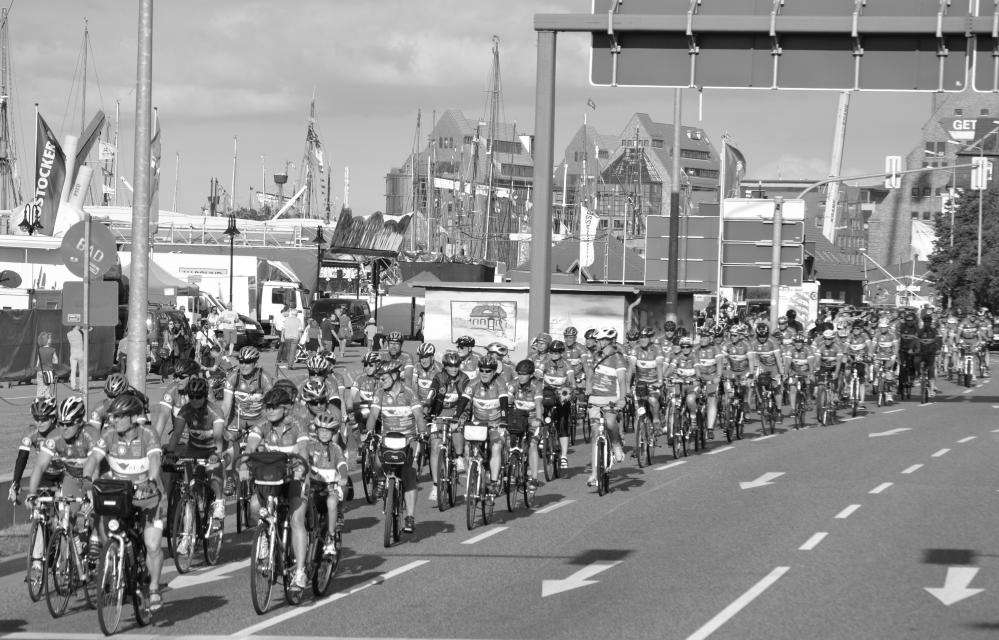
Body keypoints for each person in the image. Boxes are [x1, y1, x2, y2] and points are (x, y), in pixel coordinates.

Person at [82, 391, 166, 611]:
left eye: (119, 416)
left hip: (148, 496)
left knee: (152, 544)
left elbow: (155, 460)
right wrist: (85, 479)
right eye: (113, 416)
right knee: (106, 531)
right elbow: (93, 459)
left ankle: (155, 587)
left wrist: (150, 480)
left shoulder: (148, 434)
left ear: (132, 417)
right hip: (121, 494)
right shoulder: (109, 435)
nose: (114, 420)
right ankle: (116, 565)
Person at [244, 387, 311, 591]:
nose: (270, 410)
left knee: (297, 520)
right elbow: (250, 447)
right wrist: (243, 465)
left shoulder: (298, 426)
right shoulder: (262, 425)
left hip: (294, 479)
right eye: (267, 406)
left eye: (274, 407)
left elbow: (304, 452)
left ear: (285, 408)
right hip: (271, 481)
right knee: (255, 506)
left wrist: (300, 470)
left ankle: (300, 571)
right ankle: (264, 538)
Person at [24, 397, 96, 584]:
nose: (63, 428)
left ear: (80, 422)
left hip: (95, 477)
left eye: (69, 424)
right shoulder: (54, 437)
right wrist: (31, 493)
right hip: (72, 477)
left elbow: (95, 468)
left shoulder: (90, 435)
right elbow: (39, 467)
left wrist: (90, 496)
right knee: (67, 520)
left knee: (96, 515)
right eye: (61, 423)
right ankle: (66, 564)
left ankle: (97, 547)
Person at [364, 360, 427, 533]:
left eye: (383, 378)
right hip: (388, 438)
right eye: (379, 378)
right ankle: (382, 480)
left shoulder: (409, 393)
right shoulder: (379, 393)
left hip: (408, 439)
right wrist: (369, 431)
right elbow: (373, 414)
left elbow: (419, 416)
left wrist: (422, 433)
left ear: (394, 375)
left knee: (409, 476)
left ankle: (410, 517)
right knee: (376, 461)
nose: (381, 381)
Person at [165, 377, 226, 547]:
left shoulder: (215, 412)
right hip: (194, 448)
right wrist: (170, 452)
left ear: (205, 396)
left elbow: (219, 437)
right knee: (189, 490)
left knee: (213, 473)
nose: (195, 400)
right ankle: (186, 536)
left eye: (198, 396)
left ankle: (219, 501)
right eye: (191, 396)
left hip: (213, 449)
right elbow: (176, 435)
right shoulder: (185, 410)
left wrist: (216, 453)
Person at [584, 328, 628, 485]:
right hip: (595, 398)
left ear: (610, 341)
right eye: (598, 340)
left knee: (610, 423)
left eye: (601, 340)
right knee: (595, 433)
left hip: (611, 398)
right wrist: (587, 389)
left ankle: (616, 444)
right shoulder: (595, 356)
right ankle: (595, 474)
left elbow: (622, 381)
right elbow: (589, 375)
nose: (598, 342)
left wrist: (622, 399)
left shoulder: (618, 358)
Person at [306, 411, 348, 557]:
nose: (324, 434)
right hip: (313, 487)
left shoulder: (336, 449)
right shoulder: (310, 446)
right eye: (321, 431)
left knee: (331, 503)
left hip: (330, 488)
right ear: (316, 431)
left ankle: (330, 538)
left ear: (333, 433)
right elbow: (303, 460)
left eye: (327, 431)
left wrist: (343, 476)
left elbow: (342, 463)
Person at [8, 397, 59, 504]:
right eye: (36, 419)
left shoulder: (61, 430)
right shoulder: (31, 431)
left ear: (53, 418)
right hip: (45, 474)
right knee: (39, 508)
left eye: (44, 419)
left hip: (65, 473)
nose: (39, 423)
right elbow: (22, 458)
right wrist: (15, 483)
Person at [35, 331, 58, 399]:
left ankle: (38, 403)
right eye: (50, 338)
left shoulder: (39, 349)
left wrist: (37, 367)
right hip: (48, 372)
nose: (51, 340)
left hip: (39, 371)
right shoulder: (52, 350)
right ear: (47, 340)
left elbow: (38, 361)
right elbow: (56, 361)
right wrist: (52, 362)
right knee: (47, 389)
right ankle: (46, 405)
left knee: (39, 388)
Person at [67, 324, 84, 391]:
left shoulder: (68, 333)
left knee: (73, 370)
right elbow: (91, 328)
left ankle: (73, 386)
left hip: (73, 353)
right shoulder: (81, 332)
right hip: (80, 353)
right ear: (76, 325)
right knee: (81, 371)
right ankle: (81, 386)